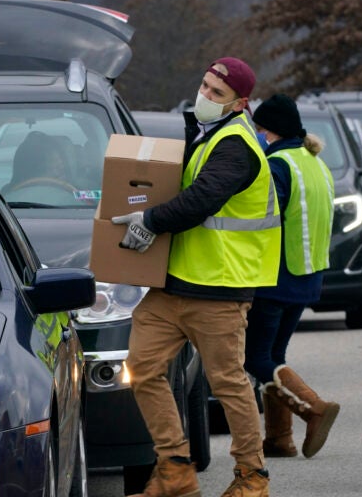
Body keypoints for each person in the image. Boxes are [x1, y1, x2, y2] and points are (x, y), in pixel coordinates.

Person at [112, 57, 281, 497]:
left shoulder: (237, 145)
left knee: (228, 382)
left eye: (216, 93)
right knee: (142, 368)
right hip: (174, 285)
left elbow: (202, 198)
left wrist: (149, 220)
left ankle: (252, 477)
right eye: (204, 86)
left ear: (240, 103)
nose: (205, 96)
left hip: (220, 289)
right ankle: (175, 468)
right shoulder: (208, 135)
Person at [245, 94, 339, 460]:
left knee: (255, 359)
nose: (257, 135)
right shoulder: (315, 163)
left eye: (259, 130)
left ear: (270, 130)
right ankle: (279, 440)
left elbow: (263, 218)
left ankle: (313, 408)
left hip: (276, 277)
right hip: (306, 276)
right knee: (275, 355)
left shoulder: (279, 165)